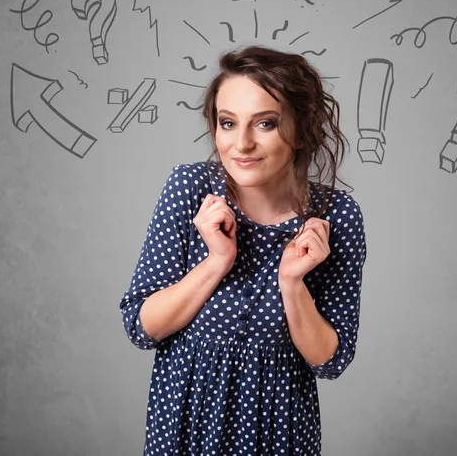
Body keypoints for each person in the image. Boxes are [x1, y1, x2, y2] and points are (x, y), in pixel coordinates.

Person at [119, 45, 367, 455]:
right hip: (185, 427)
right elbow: (142, 328)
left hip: (280, 430)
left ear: (301, 130)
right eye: (228, 123)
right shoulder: (190, 190)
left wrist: (292, 282)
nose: (242, 144)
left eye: (265, 123)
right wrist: (217, 262)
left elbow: (330, 361)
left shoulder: (335, 217)